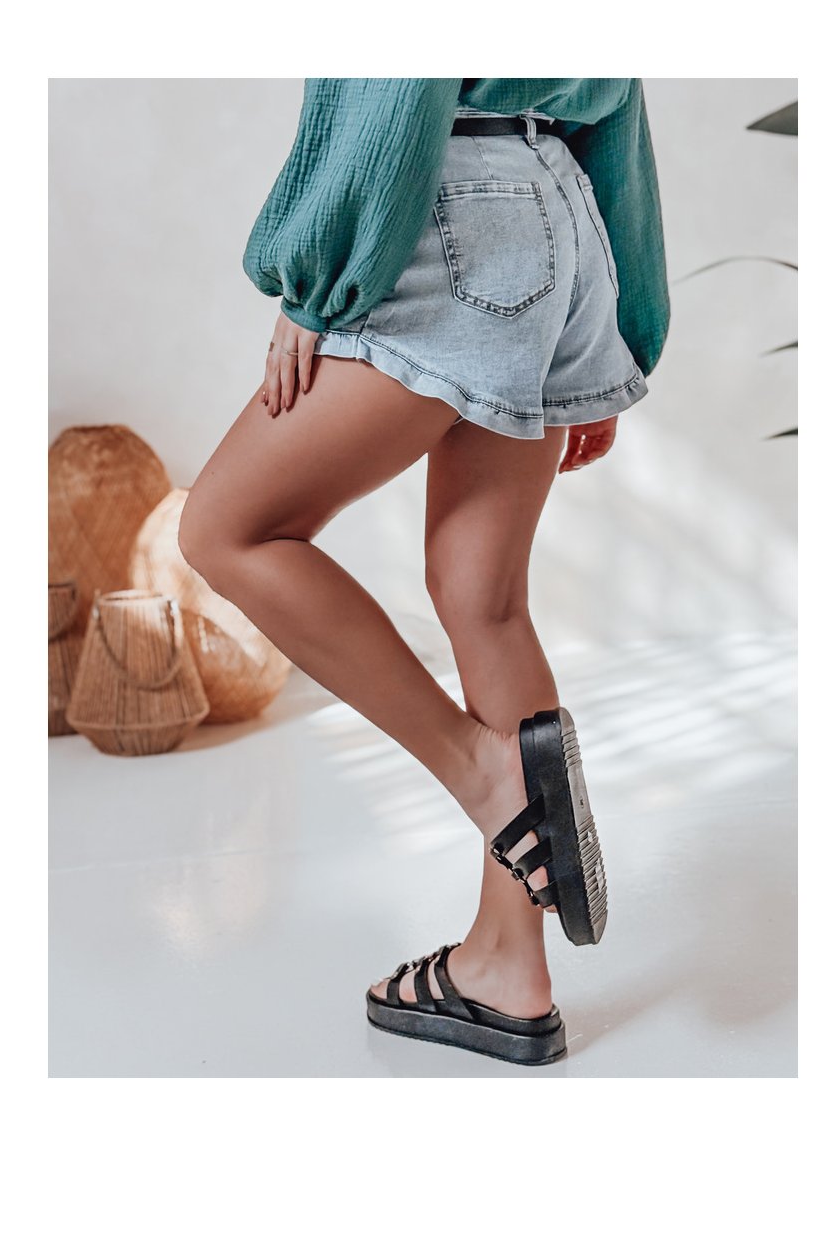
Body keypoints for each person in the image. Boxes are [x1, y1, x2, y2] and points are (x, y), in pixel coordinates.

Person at [178, 78, 670, 1066]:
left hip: (443, 211)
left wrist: (319, 275)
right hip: (559, 214)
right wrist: (622, 330)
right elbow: (617, 93)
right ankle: (506, 973)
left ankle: (482, 771)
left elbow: (395, 72)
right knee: (484, 599)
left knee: (227, 528)